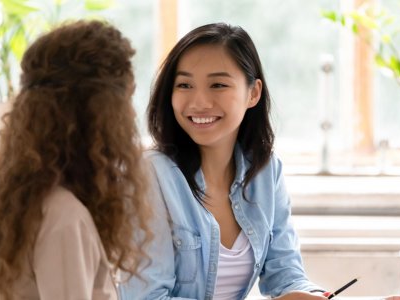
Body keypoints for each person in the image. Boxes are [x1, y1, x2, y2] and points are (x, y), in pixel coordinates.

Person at [119, 22, 321, 300]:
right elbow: (146, 297)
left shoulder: (265, 170)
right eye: (185, 85)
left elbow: (286, 274)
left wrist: (318, 296)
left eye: (218, 84)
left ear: (253, 93)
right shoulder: (149, 175)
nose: (199, 102)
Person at [0, 20, 152, 299]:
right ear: (98, 114)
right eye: (126, 101)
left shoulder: (30, 206)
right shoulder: (64, 218)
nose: (132, 117)